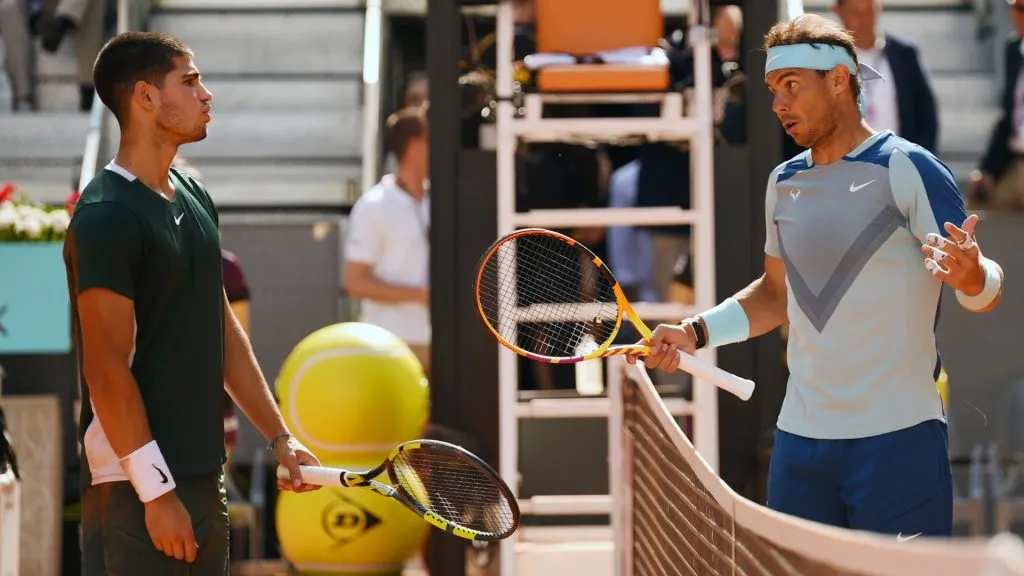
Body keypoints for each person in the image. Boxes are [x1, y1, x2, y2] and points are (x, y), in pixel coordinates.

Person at [630, 14, 1005, 539]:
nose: (779, 103)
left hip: (899, 441)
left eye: (791, 85)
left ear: (838, 81)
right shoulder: (783, 182)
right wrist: (694, 332)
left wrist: (971, 277)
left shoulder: (909, 167)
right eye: (772, 89)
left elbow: (984, 287)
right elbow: (775, 294)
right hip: (801, 445)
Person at [63, 31, 321, 576]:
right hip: (133, 492)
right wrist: (156, 494)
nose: (207, 94)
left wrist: (281, 437)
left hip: (203, 477)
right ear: (146, 97)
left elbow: (221, 328)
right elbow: (106, 369)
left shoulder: (194, 195)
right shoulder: (106, 215)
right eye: (190, 80)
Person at [344, 106, 431, 377]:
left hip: (441, 343)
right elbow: (355, 282)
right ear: (415, 145)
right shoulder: (373, 205)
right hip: (392, 345)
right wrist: (422, 295)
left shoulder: (439, 200)